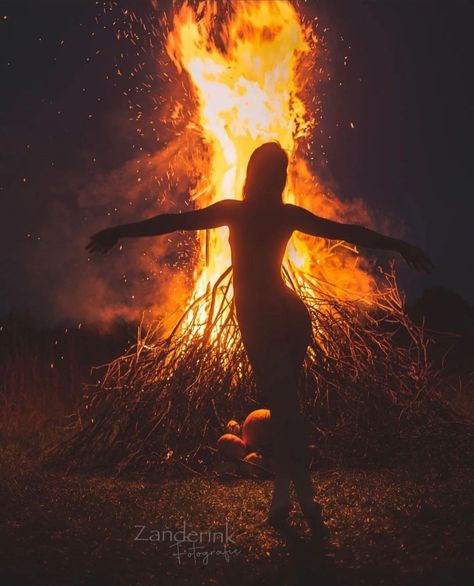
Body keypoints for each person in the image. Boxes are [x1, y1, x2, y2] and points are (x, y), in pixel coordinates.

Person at [86, 141, 433, 538]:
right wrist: (400, 246)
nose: (283, 178)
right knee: (286, 409)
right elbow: (345, 231)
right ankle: (284, 496)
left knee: (286, 409)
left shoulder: (237, 211)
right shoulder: (279, 214)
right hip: (286, 315)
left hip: (267, 320)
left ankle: (304, 499)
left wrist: (120, 231)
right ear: (271, 177)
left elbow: (174, 220)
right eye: (280, 171)